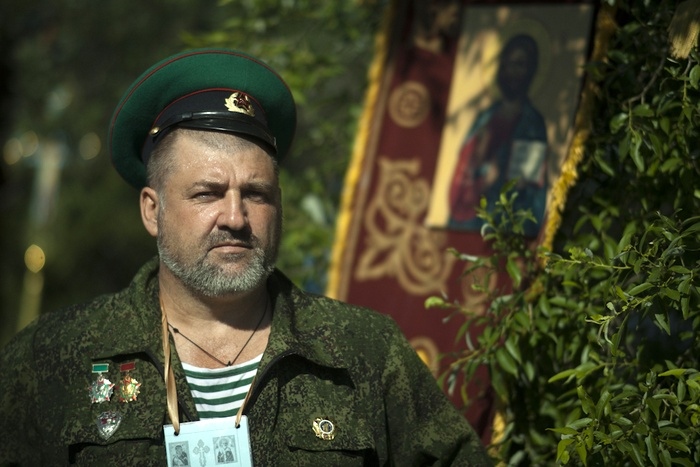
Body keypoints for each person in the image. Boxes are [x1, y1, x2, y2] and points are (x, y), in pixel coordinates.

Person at [0, 48, 492, 465]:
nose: (235, 217)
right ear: (153, 210)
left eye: (256, 194)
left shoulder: (364, 353)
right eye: (207, 193)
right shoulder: (53, 358)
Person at [448, 34, 548, 237]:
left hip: (506, 223)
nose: (513, 71)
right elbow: (465, 167)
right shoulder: (485, 118)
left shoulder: (532, 123)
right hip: (470, 218)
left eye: (520, 64)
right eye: (508, 63)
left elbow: (531, 186)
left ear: (531, 71)